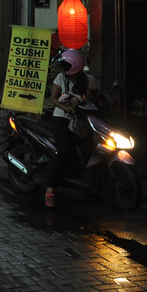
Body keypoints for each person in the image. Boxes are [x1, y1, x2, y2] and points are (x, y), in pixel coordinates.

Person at [44, 49, 96, 209]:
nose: (62, 69)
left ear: (75, 66)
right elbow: (53, 99)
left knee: (90, 152)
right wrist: (65, 108)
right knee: (63, 151)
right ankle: (50, 189)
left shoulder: (89, 80)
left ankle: (92, 185)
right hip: (62, 118)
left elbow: (96, 98)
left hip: (82, 120)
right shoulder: (61, 78)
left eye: (65, 65)